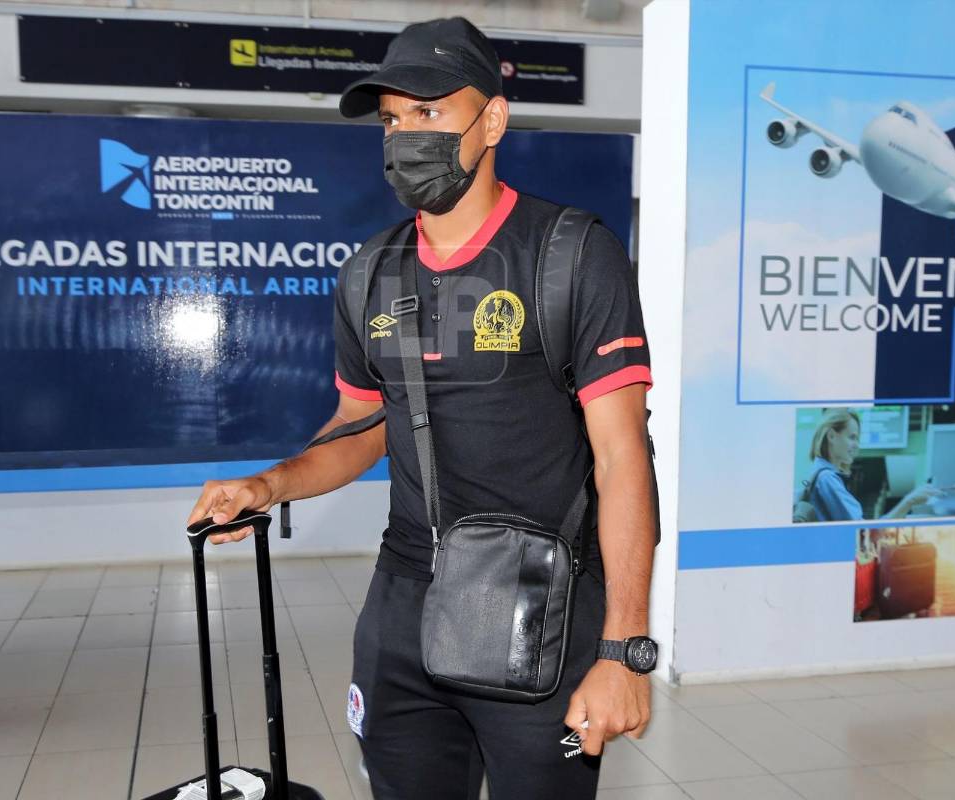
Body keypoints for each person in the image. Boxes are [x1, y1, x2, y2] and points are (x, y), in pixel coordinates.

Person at [187, 17, 658, 800]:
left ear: (492, 119)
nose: (407, 134)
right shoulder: (369, 273)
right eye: (393, 119)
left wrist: (624, 652)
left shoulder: (571, 255)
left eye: (431, 111)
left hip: (541, 610)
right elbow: (357, 431)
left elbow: (622, 460)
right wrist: (267, 486)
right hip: (404, 605)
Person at [803, 408, 941, 521]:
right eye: (852, 437)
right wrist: (909, 501)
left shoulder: (822, 474)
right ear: (832, 436)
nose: (857, 445)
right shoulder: (827, 479)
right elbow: (864, 532)